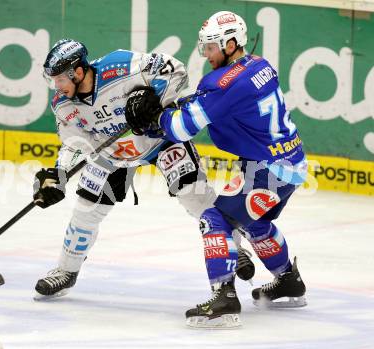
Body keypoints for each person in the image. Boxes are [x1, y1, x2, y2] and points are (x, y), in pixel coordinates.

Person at [125, 11, 308, 329]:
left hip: (269, 170)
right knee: (255, 221)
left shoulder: (223, 83)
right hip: (289, 163)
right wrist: (179, 107)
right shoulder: (259, 64)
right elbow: (216, 101)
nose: (205, 54)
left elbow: (183, 128)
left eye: (210, 47)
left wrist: (156, 118)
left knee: (215, 218)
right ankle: (288, 281)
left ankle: (224, 298)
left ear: (231, 43)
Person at [32, 39, 254, 300]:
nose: (56, 87)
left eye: (59, 79)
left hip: (160, 140)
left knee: (197, 198)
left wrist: (152, 95)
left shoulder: (120, 65)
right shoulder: (63, 104)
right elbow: (74, 143)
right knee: (85, 210)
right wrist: (58, 175)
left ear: (78, 72)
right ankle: (66, 271)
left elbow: (177, 70)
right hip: (113, 154)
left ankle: (232, 248)